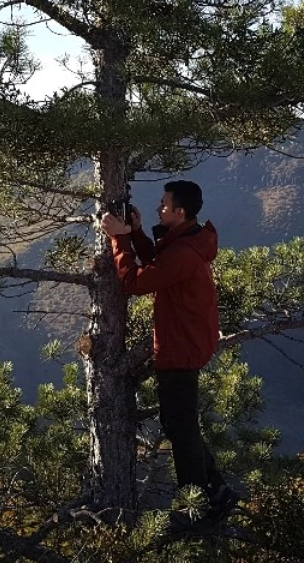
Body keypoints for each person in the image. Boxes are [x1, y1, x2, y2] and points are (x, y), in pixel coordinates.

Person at [101, 180, 235, 520]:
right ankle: (215, 490)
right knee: (182, 423)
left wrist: (119, 238)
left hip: (180, 347)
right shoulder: (186, 240)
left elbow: (136, 282)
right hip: (187, 341)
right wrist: (136, 233)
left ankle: (196, 505)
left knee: (180, 427)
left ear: (180, 212)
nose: (159, 207)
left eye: (164, 204)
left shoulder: (185, 251)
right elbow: (158, 262)